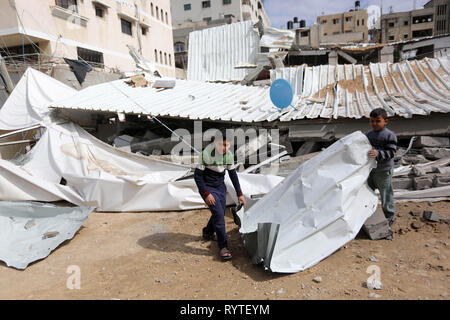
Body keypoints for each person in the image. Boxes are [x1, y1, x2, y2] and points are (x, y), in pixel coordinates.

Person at [194, 129, 246, 260]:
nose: (225, 148)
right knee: (219, 215)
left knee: (220, 212)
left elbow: (233, 175)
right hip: (208, 187)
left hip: (220, 187)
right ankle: (223, 247)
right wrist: (206, 194)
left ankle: (207, 232)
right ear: (214, 142)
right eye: (222, 145)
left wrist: (240, 193)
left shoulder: (228, 155)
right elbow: (197, 176)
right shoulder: (206, 154)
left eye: (227, 145)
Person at [366, 108, 398, 227]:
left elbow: (391, 152)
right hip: (370, 171)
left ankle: (390, 216)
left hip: (383, 171)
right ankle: (368, 214)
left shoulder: (389, 135)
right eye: (372, 121)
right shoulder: (368, 135)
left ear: (385, 121)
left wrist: (378, 154)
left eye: (377, 121)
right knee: (368, 192)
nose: (374, 124)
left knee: (386, 194)